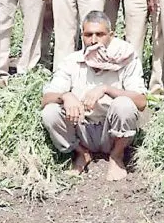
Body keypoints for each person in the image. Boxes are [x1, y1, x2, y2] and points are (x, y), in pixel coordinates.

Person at [40, 11, 146, 181]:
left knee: (124, 105)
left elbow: (141, 102)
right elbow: (45, 99)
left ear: (111, 35)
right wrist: (66, 96)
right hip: (81, 129)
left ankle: (117, 156)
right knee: (50, 112)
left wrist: (106, 89)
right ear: (82, 36)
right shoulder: (72, 61)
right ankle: (81, 154)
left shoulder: (126, 59)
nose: (94, 40)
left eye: (100, 34)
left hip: (112, 131)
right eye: (88, 35)